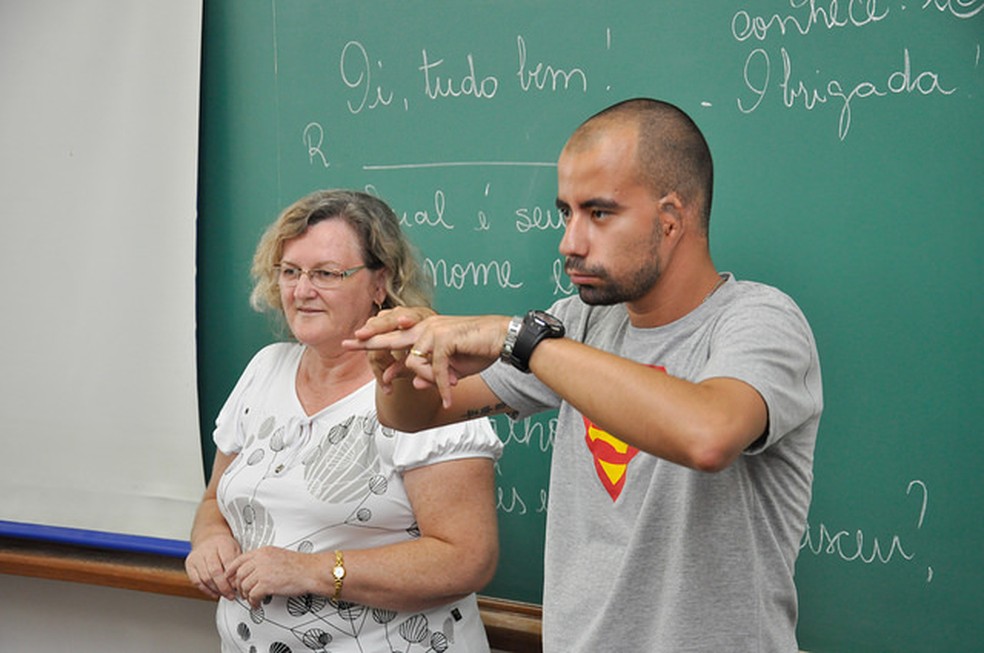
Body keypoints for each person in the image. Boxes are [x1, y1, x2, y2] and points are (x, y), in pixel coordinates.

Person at [345, 99, 823, 652]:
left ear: (671, 218)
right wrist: (401, 369)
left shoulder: (759, 320)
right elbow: (420, 415)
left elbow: (708, 435)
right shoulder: (579, 322)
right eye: (565, 213)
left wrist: (517, 338)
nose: (570, 242)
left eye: (598, 213)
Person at [185, 189, 503, 653]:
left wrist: (311, 570)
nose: (302, 290)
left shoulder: (425, 385)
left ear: (380, 285)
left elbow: (466, 560)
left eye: (327, 274)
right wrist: (210, 538)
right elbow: (216, 497)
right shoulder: (265, 369)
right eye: (290, 272)